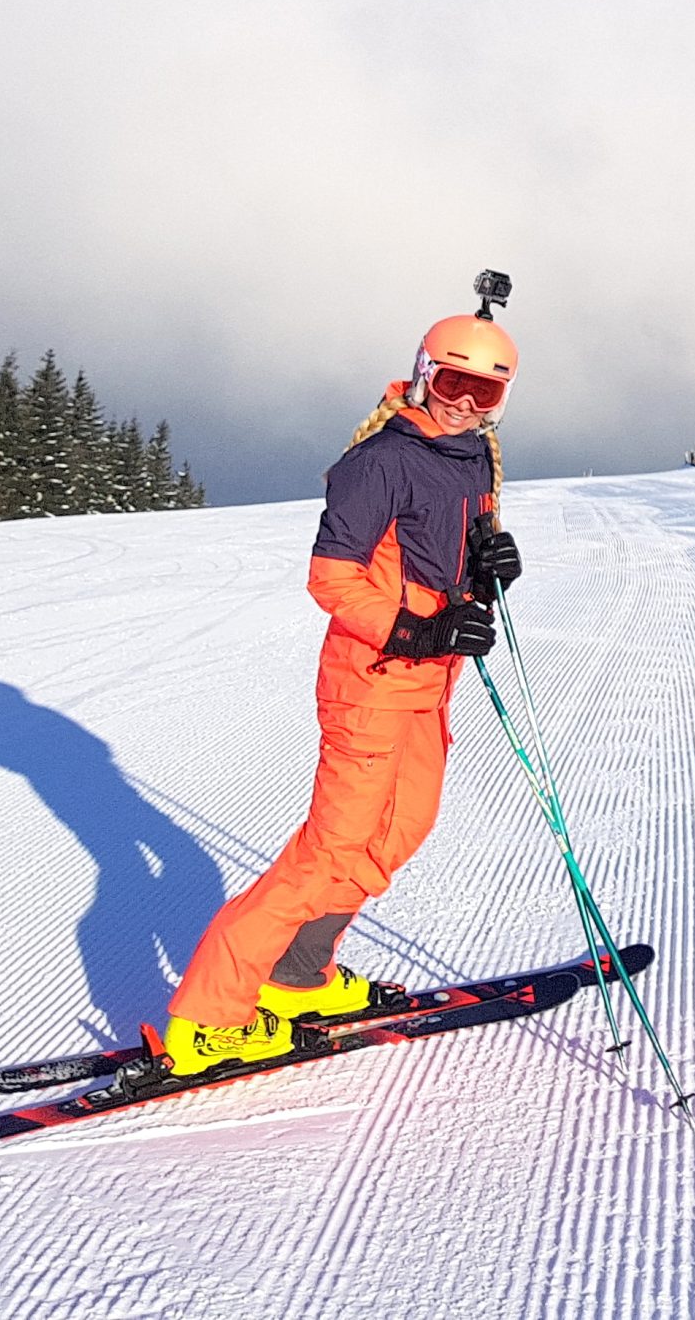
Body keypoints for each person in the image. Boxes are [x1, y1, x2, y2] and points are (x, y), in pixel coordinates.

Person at [155, 306, 524, 1077]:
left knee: (398, 831)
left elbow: (445, 556)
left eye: (483, 392)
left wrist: (487, 564)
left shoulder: (472, 457)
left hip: (429, 682)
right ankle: (205, 1018)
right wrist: (417, 631)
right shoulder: (379, 461)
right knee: (327, 854)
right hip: (373, 679)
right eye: (453, 380)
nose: (464, 401)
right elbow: (332, 579)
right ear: (425, 372)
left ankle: (296, 977)